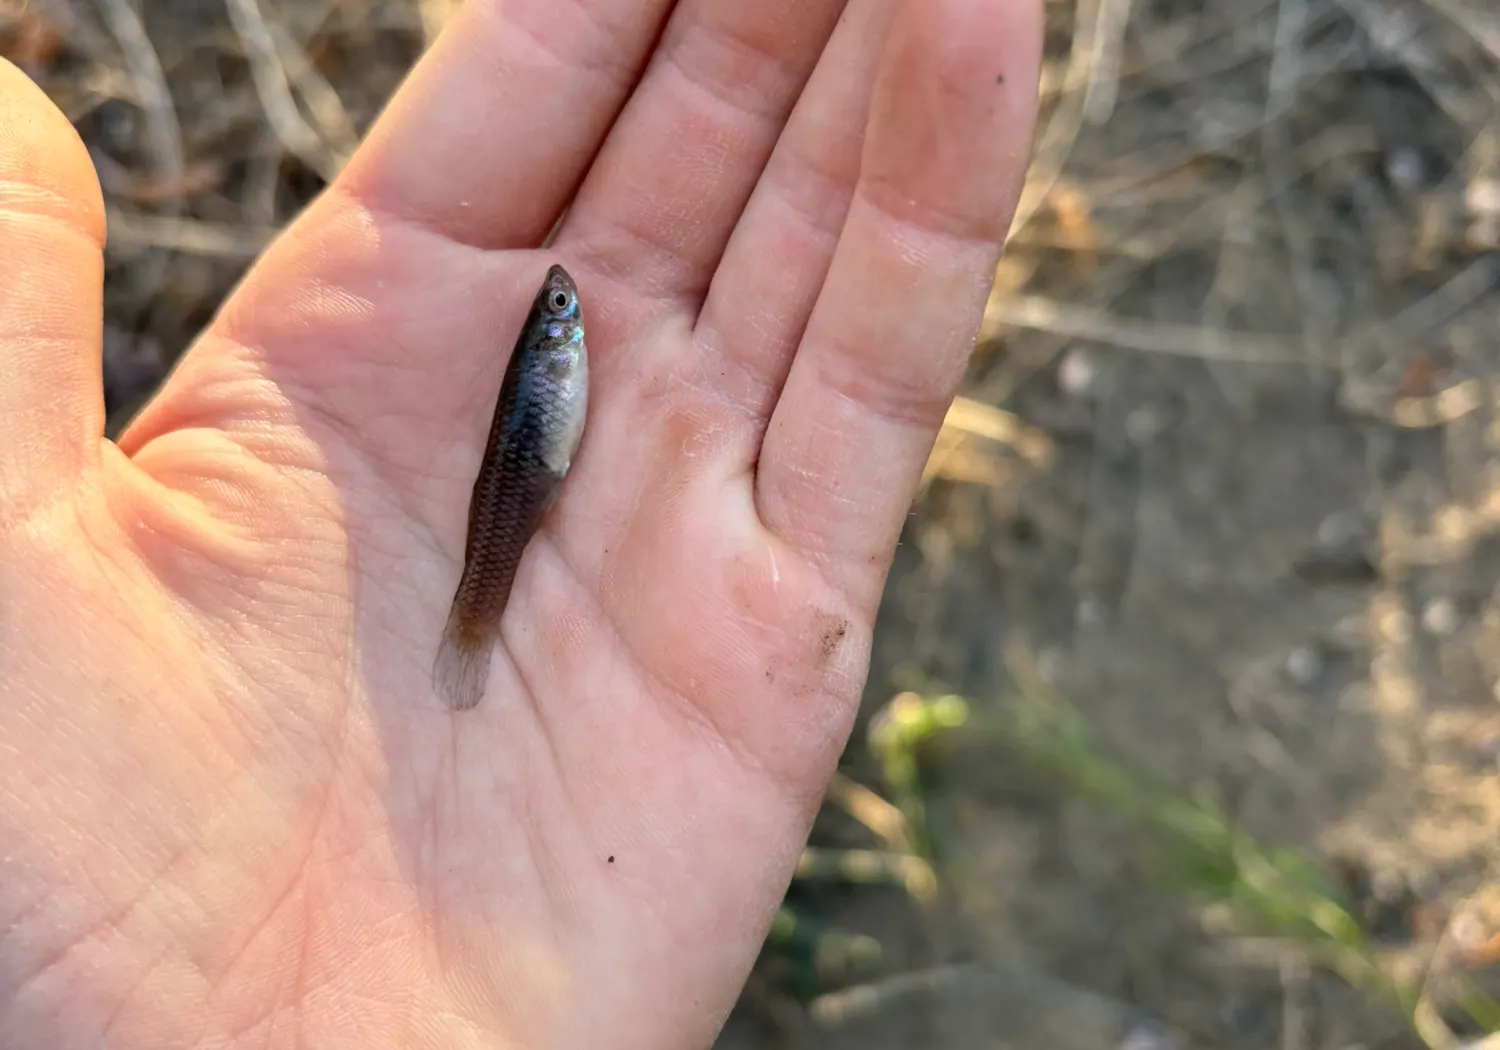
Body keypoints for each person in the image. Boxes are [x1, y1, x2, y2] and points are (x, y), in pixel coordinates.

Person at [0, 0, 1041, 1046]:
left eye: (560, 316)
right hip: (522, 476)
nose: (565, 317)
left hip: (526, 471)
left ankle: (473, 623)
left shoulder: (561, 352)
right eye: (560, 318)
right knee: (493, 551)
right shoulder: (553, 353)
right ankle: (471, 625)